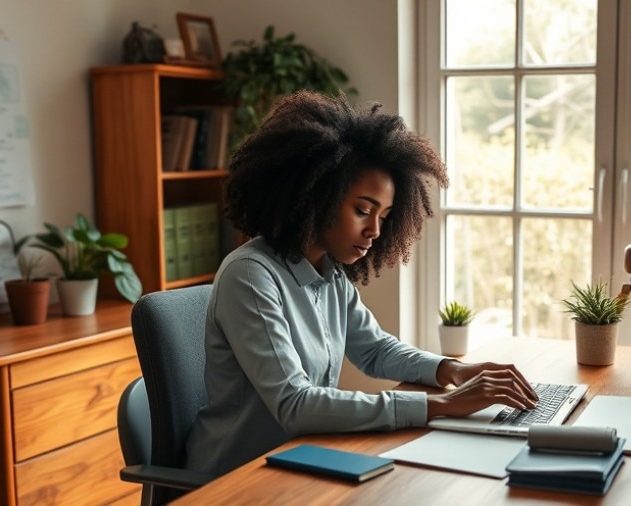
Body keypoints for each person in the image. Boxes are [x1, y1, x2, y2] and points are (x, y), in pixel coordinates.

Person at [184, 91, 539, 476]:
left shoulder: (328, 272)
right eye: (362, 210)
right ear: (316, 197)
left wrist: (451, 371)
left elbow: (375, 350)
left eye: (384, 216)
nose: (374, 230)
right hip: (234, 478)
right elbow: (294, 404)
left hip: (298, 457)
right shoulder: (251, 275)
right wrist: (442, 405)